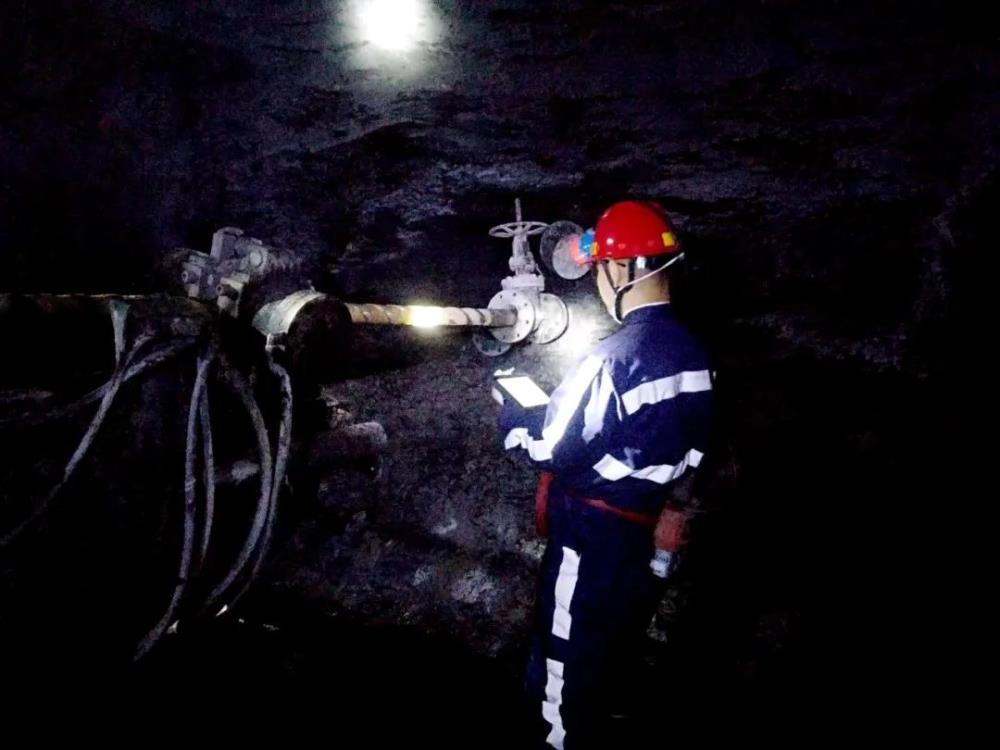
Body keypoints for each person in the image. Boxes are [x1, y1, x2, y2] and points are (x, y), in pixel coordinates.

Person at [497, 200, 713, 748]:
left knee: (564, 658)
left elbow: (549, 446)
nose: (596, 283)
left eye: (598, 270)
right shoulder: (695, 355)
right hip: (641, 529)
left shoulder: (611, 359)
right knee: (612, 646)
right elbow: (689, 446)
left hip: (590, 539)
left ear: (622, 269)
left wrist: (511, 408)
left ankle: (556, 749)